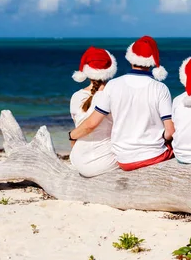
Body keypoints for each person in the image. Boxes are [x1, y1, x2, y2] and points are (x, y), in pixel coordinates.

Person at [69, 36, 175, 171]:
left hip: (124, 159)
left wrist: (71, 136)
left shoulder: (113, 85)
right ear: (153, 61)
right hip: (150, 156)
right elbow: (170, 132)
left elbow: (92, 123)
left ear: (130, 57)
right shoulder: (160, 88)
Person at [69, 46, 119, 177]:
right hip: (103, 161)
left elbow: (78, 127)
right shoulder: (114, 95)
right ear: (110, 70)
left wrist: (71, 136)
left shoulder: (76, 96)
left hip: (77, 159)